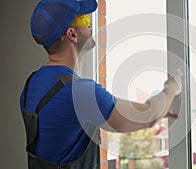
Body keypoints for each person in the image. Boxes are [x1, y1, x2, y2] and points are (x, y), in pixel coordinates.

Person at [20, 0, 183, 168]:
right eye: (83, 20)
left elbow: (60, 130)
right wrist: (172, 87)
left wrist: (161, 109)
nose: (90, 24)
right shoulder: (78, 92)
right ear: (72, 34)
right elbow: (148, 115)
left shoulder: (31, 84)